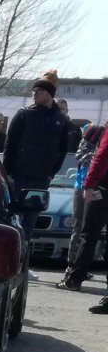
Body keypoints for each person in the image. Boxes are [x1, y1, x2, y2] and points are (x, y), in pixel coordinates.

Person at [2, 71, 73, 196]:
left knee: (33, 213)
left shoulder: (60, 119)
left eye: (40, 90)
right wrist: (7, 173)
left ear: (50, 93)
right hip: (19, 177)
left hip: (42, 179)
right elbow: (10, 145)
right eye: (34, 90)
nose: (35, 93)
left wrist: (52, 173)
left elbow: (62, 149)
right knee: (15, 213)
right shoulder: (24, 114)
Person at [59, 122, 105, 290]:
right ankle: (72, 269)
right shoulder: (94, 130)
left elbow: (101, 157)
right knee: (80, 228)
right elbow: (81, 154)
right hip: (84, 186)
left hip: (99, 188)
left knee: (90, 233)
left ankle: (78, 273)